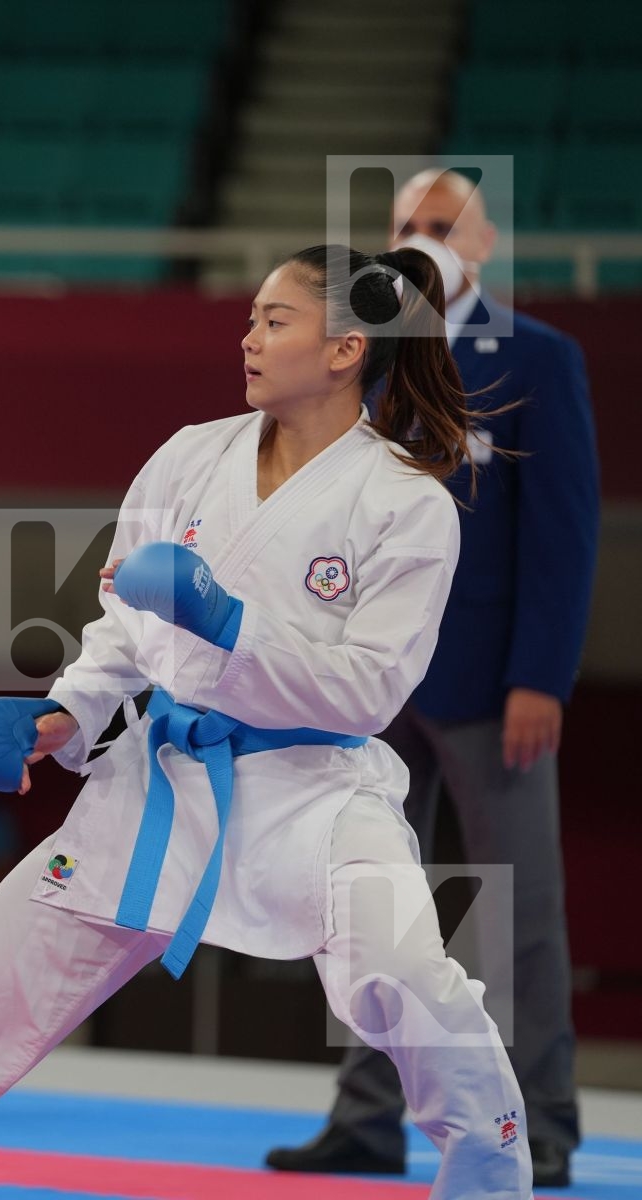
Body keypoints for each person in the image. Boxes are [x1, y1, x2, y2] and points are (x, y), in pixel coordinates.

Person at [0, 243, 533, 1200]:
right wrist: (62, 712)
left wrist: (229, 622)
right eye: (249, 319)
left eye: (274, 321)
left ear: (345, 349)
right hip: (159, 783)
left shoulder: (407, 501)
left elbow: (369, 693)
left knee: (407, 975)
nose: (248, 339)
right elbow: (123, 629)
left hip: (316, 796)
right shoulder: (190, 456)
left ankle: (492, 1178)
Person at [267, 169, 597, 1189]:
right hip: (367, 681)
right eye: (407, 223)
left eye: (444, 224)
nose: (423, 236)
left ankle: (542, 1122)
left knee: (518, 906)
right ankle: (367, 1115)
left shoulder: (538, 357)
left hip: (490, 681)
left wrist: (541, 675)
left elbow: (564, 533)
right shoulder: (359, 352)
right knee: (365, 906)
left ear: (485, 244)